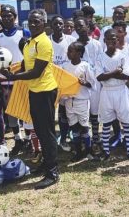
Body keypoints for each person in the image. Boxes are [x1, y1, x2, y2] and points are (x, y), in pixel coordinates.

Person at [0, 8, 59, 189]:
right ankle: (46, 164)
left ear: (44, 24)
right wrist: (9, 72)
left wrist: (13, 77)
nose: (33, 24)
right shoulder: (27, 43)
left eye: (37, 21)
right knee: (40, 131)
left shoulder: (44, 43)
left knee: (47, 132)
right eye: (30, 21)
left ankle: (53, 172)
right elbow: (25, 66)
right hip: (34, 91)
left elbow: (36, 72)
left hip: (46, 91)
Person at [96, 29, 129, 162]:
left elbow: (127, 75)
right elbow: (99, 77)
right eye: (108, 39)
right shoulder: (100, 57)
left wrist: (108, 74)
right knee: (106, 123)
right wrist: (116, 71)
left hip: (121, 91)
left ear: (118, 40)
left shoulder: (123, 56)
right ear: (104, 40)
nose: (111, 41)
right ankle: (105, 151)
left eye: (114, 39)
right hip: (106, 92)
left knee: (127, 122)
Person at [0, 4, 30, 156]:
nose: (7, 18)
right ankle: (17, 138)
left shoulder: (23, 31)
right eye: (4, 16)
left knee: (25, 109)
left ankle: (28, 138)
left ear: (15, 17)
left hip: (21, 76)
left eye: (9, 16)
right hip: (5, 79)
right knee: (11, 111)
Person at [62, 41, 96, 161]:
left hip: (81, 100)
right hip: (68, 101)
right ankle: (78, 151)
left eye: (71, 51)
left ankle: (89, 150)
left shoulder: (85, 66)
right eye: (68, 50)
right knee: (74, 127)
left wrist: (84, 83)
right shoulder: (65, 67)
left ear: (79, 53)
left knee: (84, 126)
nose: (68, 53)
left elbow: (92, 83)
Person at [74, 17, 103, 148]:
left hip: (94, 83)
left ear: (87, 26)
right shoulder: (74, 45)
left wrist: (92, 78)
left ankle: (96, 136)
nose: (78, 28)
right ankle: (84, 137)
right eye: (76, 26)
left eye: (81, 26)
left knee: (94, 111)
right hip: (80, 84)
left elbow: (100, 63)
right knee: (82, 112)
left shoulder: (96, 44)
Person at [49, 15, 76, 152]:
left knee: (65, 111)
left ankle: (65, 137)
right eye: (56, 24)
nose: (59, 26)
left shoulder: (71, 40)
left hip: (67, 81)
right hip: (50, 81)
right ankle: (51, 139)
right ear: (51, 25)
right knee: (51, 112)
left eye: (61, 23)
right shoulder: (47, 41)